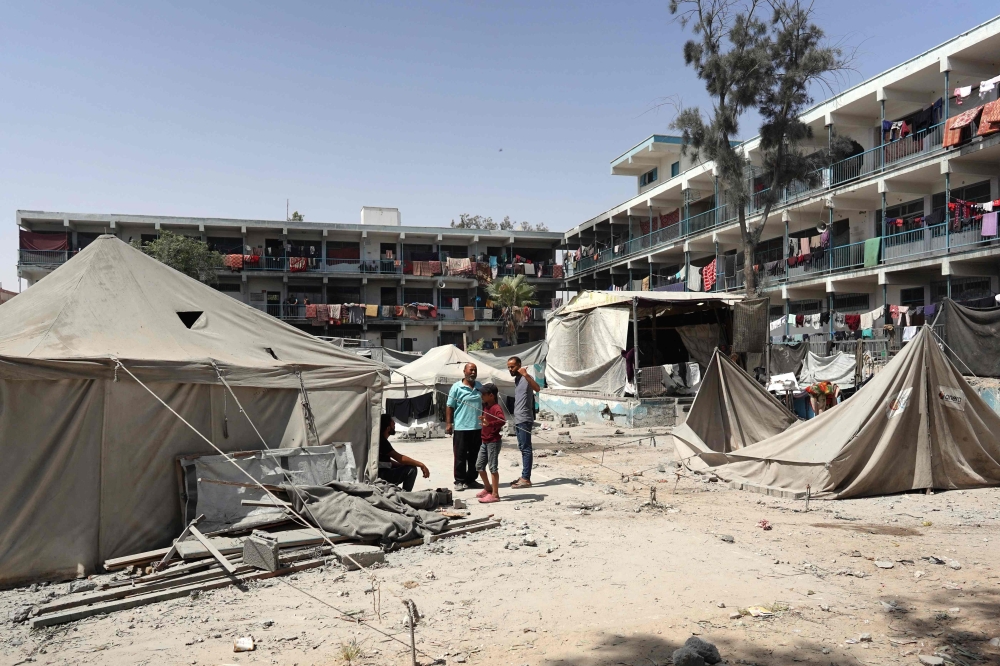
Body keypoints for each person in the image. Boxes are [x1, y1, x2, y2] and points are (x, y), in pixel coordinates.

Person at [446, 362, 484, 490]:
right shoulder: (456, 387)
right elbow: (449, 406)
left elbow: (485, 403)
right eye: (471, 370)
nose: (473, 373)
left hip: (477, 428)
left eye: (475, 370)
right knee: (460, 455)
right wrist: (448, 423)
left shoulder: (479, 386)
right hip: (462, 427)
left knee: (475, 456)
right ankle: (459, 481)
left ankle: (471, 480)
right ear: (464, 371)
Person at [507, 356, 540, 489]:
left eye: (513, 366)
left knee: (526, 449)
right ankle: (523, 476)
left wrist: (526, 374)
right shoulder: (517, 379)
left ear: (519, 365)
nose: (510, 369)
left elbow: (537, 388)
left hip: (525, 418)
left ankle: (526, 478)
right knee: (522, 447)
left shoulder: (526, 377)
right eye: (509, 367)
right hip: (518, 418)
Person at [376, 414, 429, 491]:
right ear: (388, 428)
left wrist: (401, 465)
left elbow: (385, 460)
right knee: (411, 470)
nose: (394, 425)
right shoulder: (383, 442)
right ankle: (406, 496)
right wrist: (421, 465)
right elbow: (400, 458)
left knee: (406, 466)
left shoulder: (379, 439)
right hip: (382, 476)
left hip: (381, 473)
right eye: (393, 424)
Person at [476, 383, 505, 503]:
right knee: (479, 466)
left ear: (491, 395)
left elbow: (502, 420)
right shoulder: (485, 406)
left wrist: (490, 424)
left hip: (493, 441)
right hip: (485, 440)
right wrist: (483, 421)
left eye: (484, 394)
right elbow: (487, 420)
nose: (481, 396)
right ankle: (488, 488)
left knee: (493, 468)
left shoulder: (496, 408)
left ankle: (495, 494)